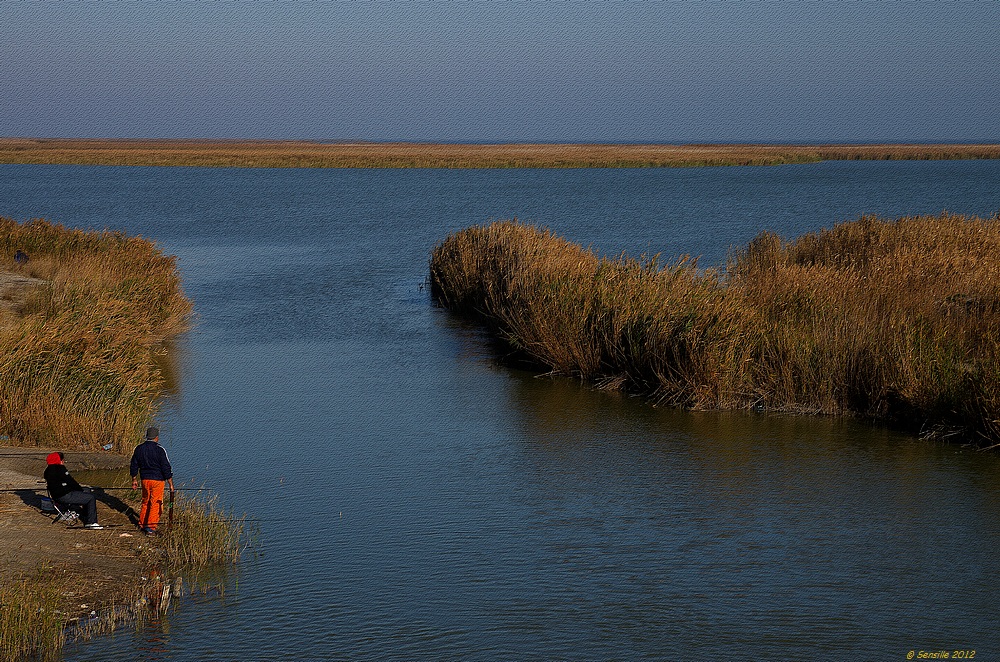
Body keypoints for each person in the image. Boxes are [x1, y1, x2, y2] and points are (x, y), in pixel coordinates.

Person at [130, 426, 174, 535]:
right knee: (156, 503)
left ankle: (142, 524)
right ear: (157, 438)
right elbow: (166, 467)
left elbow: (134, 465)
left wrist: (134, 479)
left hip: (145, 479)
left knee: (146, 501)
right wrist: (170, 483)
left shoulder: (139, 449)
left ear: (147, 436)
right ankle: (150, 527)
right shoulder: (160, 450)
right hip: (158, 480)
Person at [43, 452, 104, 530]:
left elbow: (62, 483)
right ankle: (91, 522)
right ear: (59, 460)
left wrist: (81, 490)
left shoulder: (47, 471)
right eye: (62, 459)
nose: (63, 461)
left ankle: (86, 516)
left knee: (87, 490)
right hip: (65, 496)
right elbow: (71, 482)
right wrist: (80, 490)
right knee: (91, 498)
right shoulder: (60, 469)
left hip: (56, 497)